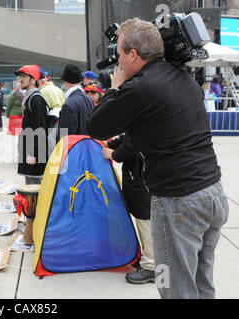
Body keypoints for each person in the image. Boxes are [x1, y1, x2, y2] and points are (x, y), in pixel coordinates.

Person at [86, 18, 228, 299]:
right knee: (201, 285)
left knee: (175, 289)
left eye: (120, 54)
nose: (118, 61)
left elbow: (96, 127)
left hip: (179, 202)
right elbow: (145, 134)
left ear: (133, 55)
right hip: (212, 195)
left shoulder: (139, 88)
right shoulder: (181, 77)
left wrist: (115, 87)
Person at [103, 135, 155, 284]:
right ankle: (147, 259)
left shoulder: (144, 121)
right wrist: (109, 143)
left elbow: (133, 142)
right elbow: (128, 138)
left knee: (146, 223)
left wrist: (113, 154)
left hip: (145, 186)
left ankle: (152, 266)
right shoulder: (136, 122)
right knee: (142, 222)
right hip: (138, 184)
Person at [14, 65, 49, 185]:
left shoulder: (36, 100)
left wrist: (34, 153)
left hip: (34, 154)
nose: (21, 79)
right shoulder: (29, 98)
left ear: (33, 79)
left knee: (35, 187)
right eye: (20, 76)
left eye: (24, 76)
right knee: (30, 185)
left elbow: (40, 128)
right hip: (29, 150)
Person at [59, 64, 94, 139]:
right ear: (80, 81)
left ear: (65, 82)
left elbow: (64, 138)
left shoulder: (68, 104)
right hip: (88, 146)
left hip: (74, 148)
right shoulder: (88, 99)